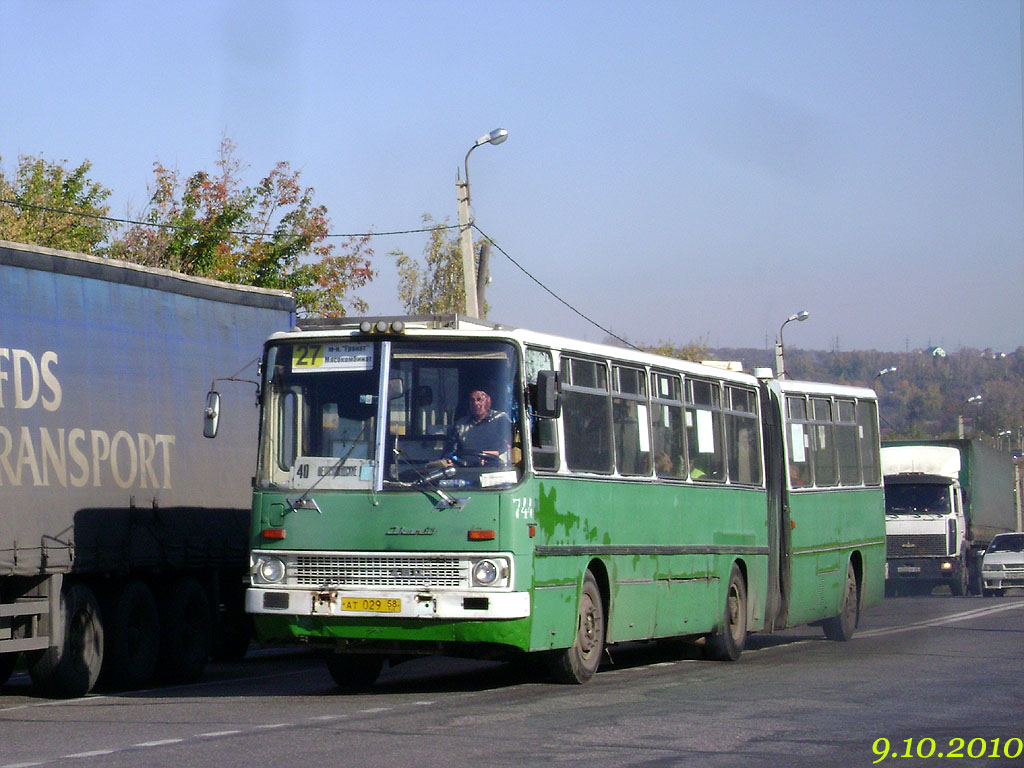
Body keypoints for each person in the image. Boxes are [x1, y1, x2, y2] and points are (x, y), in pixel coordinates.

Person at [444, 388, 512, 466]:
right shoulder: (460, 425)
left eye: (479, 400)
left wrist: (493, 454)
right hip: (466, 470)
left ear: (488, 402)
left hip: (495, 470)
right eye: (472, 400)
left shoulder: (501, 419)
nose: (476, 403)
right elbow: (451, 450)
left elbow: (509, 446)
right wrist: (449, 460)